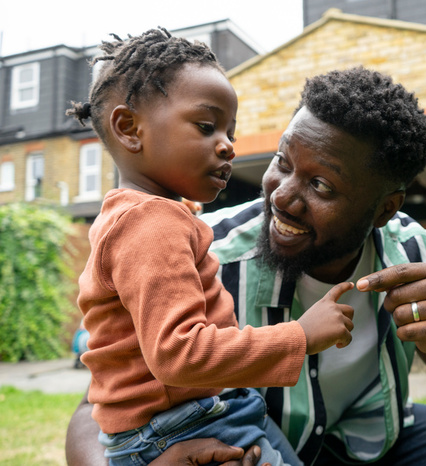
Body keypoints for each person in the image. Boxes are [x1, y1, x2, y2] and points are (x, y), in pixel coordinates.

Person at [66, 66, 426, 465]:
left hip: (377, 439)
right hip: (251, 441)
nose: (282, 196)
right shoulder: (204, 253)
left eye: (322, 186)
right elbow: (94, 409)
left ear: (385, 210)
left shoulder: (417, 257)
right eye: (282, 162)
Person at [67, 28, 358, 466]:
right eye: (206, 126)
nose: (227, 146)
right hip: (186, 425)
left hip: (195, 416)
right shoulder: (152, 222)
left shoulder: (143, 217)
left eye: (230, 132)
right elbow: (179, 353)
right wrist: (301, 336)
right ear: (129, 128)